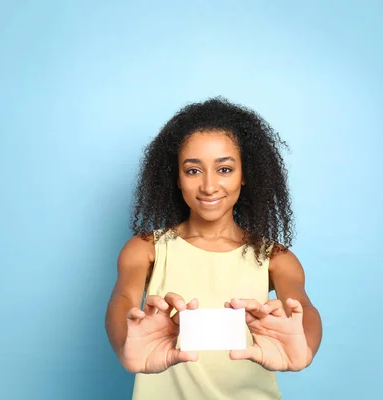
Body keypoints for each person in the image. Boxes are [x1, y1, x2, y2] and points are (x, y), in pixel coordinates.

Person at [105, 97, 323, 399]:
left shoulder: (275, 258)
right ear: (177, 178)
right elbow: (123, 300)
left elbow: (304, 309)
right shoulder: (147, 249)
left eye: (224, 169)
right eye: (193, 171)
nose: (209, 186)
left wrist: (306, 348)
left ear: (246, 175)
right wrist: (124, 345)